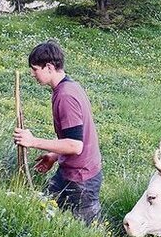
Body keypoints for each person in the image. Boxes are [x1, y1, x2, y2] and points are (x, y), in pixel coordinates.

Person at [14, 41, 102, 225]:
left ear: (49, 67)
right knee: (44, 212)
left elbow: (75, 145)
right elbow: (77, 136)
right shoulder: (68, 87)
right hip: (69, 171)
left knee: (86, 231)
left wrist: (33, 141)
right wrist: (54, 155)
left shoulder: (66, 96)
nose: (32, 74)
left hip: (82, 178)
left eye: (35, 69)